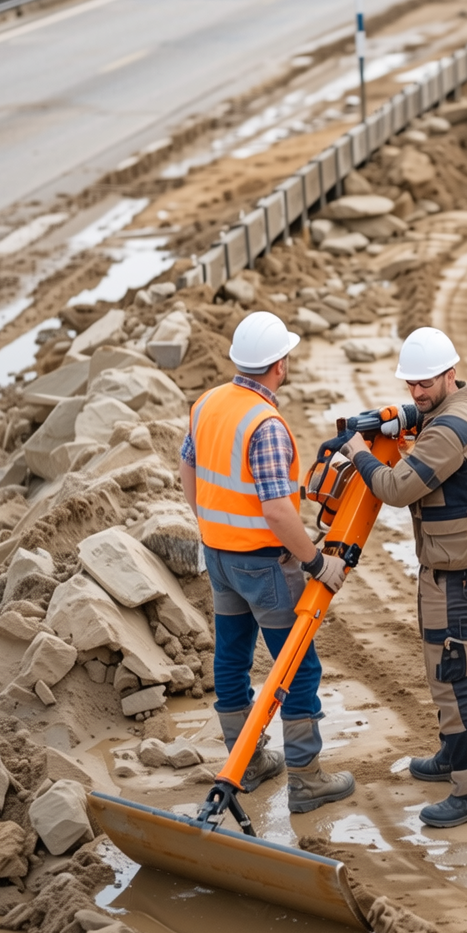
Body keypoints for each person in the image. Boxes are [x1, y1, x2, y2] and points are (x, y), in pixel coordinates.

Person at [179, 311, 356, 814]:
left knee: (231, 657)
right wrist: (316, 562)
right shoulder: (266, 423)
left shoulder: (209, 402)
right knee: (295, 664)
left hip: (218, 556)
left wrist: (212, 523)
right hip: (263, 564)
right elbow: (278, 510)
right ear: (278, 364)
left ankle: (249, 760)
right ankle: (307, 778)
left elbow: (187, 467)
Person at [341, 327, 467, 829]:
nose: (416, 392)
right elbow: (431, 415)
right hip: (456, 562)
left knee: (455, 682)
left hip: (457, 571)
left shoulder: (446, 432)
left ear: (449, 374)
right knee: (446, 673)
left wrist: (358, 450)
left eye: (425, 383)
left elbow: (395, 487)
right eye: (410, 383)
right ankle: (450, 755)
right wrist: (402, 418)